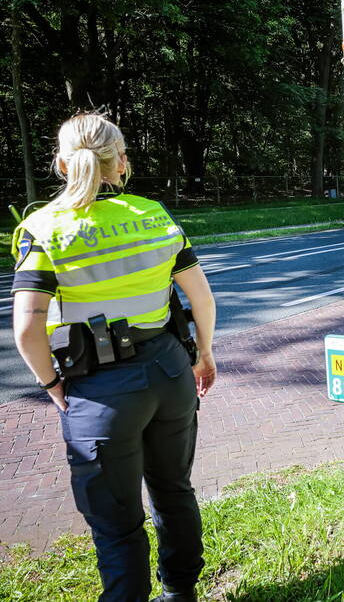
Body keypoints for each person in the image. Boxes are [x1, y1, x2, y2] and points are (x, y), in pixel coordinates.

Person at [11, 113, 217, 602]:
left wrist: (51, 385)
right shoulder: (153, 215)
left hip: (100, 388)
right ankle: (181, 591)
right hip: (170, 371)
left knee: (115, 518)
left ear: (61, 163)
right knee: (173, 490)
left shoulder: (42, 227)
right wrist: (203, 354)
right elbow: (202, 300)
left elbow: (27, 326)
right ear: (120, 161)